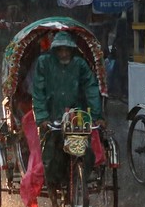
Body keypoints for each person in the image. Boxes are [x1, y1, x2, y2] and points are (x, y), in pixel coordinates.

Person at [31, 31, 103, 189]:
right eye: (60, 50)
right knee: (50, 157)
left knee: (86, 152)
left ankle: (79, 178)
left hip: (76, 117)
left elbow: (91, 89)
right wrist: (42, 117)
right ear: (55, 50)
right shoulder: (44, 63)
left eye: (67, 50)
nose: (64, 54)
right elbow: (38, 92)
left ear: (72, 50)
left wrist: (97, 115)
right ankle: (55, 199)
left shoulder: (79, 64)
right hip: (52, 117)